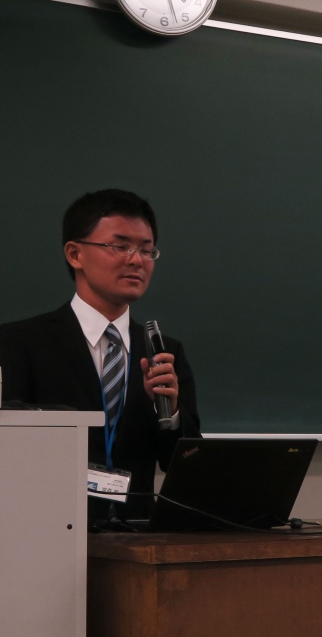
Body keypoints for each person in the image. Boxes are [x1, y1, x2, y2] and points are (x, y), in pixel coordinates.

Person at [0, 189, 200, 521]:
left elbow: (184, 464)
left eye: (146, 250)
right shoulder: (19, 343)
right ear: (75, 254)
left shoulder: (165, 353)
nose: (136, 260)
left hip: (138, 536)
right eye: (120, 246)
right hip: (45, 529)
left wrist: (171, 412)